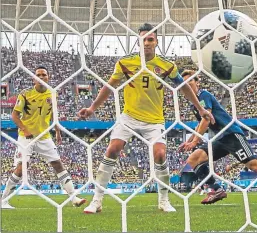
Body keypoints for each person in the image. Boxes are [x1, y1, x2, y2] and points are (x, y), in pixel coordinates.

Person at [79, 23, 214, 214]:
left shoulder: (167, 65)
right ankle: (97, 200)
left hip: (154, 120)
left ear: (157, 42)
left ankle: (164, 201)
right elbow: (109, 86)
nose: (147, 42)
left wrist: (200, 109)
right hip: (129, 116)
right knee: (112, 149)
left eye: (150, 39)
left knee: (159, 154)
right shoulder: (125, 63)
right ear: (138, 42)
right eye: (143, 39)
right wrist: (92, 107)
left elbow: (183, 86)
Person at [180, 70, 257, 204]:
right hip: (220, 138)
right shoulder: (193, 104)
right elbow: (200, 124)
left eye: (190, 80)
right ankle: (216, 190)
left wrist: (195, 141)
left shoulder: (203, 95)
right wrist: (188, 141)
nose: (187, 85)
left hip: (231, 134)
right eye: (183, 83)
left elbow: (206, 119)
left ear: (197, 82)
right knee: (194, 158)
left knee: (255, 166)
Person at [1, 66, 86, 209]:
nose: (41, 77)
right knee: (22, 168)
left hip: (44, 136)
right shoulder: (25, 94)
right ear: (34, 78)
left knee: (58, 164)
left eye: (44, 75)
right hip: (26, 136)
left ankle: (73, 198)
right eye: (38, 75)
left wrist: (57, 131)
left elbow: (54, 114)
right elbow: (14, 115)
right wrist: (24, 129)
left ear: (48, 77)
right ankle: (3, 200)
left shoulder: (52, 94)